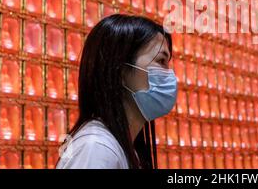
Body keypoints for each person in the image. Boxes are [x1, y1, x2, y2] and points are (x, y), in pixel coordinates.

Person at [56, 14, 177, 169]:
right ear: (121, 71)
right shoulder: (97, 149)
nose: (171, 76)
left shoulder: (122, 148)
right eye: (161, 61)